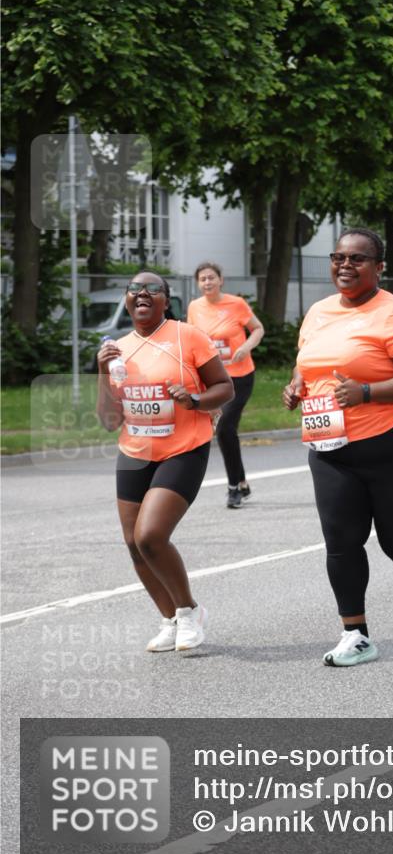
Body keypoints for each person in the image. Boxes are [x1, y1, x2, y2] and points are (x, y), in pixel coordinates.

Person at [282, 228, 393, 666]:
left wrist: (368, 393)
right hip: (332, 445)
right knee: (340, 541)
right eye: (338, 257)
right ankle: (356, 634)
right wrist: (297, 386)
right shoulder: (318, 312)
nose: (345, 265)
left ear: (380, 267)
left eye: (357, 259)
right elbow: (310, 365)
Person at [97, 270, 234, 653]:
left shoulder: (185, 335)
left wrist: (193, 400)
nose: (142, 293)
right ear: (127, 300)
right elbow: (109, 420)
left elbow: (225, 387)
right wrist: (101, 370)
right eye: (134, 288)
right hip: (135, 452)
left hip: (183, 447)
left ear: (166, 299)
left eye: (152, 288)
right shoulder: (119, 348)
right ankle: (170, 620)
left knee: (150, 535)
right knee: (132, 543)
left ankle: (190, 611)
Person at [187, 262, 265, 509]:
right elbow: (192, 339)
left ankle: (234, 489)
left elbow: (258, 329)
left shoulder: (236, 304)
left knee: (224, 428)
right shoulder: (194, 307)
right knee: (226, 431)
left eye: (211, 278)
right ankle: (242, 482)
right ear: (198, 283)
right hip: (212, 378)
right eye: (202, 279)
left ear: (221, 280)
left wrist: (245, 347)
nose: (207, 283)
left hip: (239, 376)